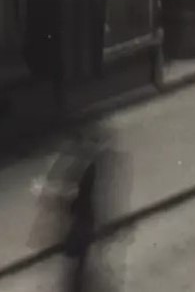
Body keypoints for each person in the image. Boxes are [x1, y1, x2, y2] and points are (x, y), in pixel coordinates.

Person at [43, 125, 113, 292]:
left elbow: (74, 193)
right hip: (81, 221)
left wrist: (53, 192)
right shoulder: (86, 163)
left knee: (77, 265)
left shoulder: (85, 166)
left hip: (79, 222)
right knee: (79, 265)